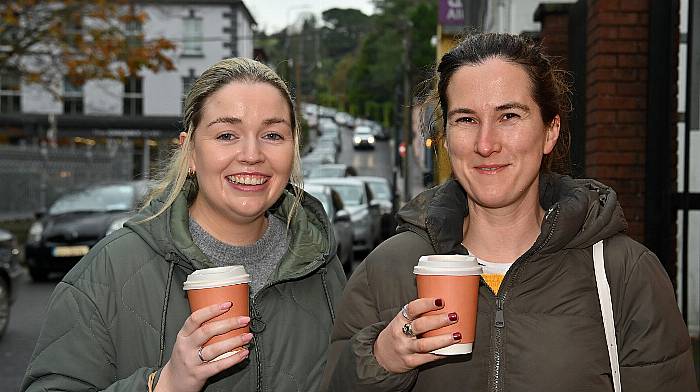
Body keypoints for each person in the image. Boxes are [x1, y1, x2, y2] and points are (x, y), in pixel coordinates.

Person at [321, 33, 697, 391]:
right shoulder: (386, 270)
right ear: (448, 139)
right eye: (466, 119)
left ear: (550, 131)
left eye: (509, 116)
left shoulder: (624, 275)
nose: (486, 144)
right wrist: (378, 363)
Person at [22, 58, 346, 392]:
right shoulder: (109, 270)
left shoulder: (322, 266)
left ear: (293, 150)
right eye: (226, 134)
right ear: (190, 151)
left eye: (273, 135)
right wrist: (165, 384)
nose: (252, 154)